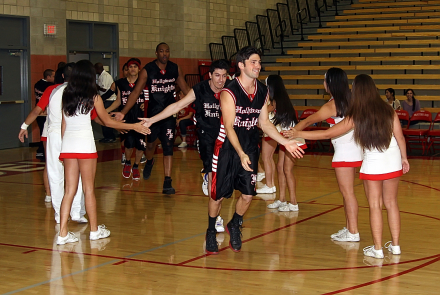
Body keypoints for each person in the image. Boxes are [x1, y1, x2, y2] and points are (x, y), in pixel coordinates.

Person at [291, 74, 409, 259]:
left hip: (373, 162)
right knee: (392, 204)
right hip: (393, 157)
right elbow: (400, 137)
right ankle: (395, 246)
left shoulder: (357, 114)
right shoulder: (388, 109)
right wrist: (404, 158)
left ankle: (377, 249)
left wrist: (298, 133)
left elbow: (327, 134)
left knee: (375, 205)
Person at [207, 46, 304, 254]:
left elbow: (265, 123)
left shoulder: (263, 91)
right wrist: (240, 153)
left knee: (248, 195)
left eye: (259, 62)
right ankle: (210, 230)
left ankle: (235, 223)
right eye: (253, 62)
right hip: (227, 148)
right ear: (241, 65)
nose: (258, 66)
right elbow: (229, 126)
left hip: (250, 147)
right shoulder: (229, 91)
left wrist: (285, 142)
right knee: (218, 196)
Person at [57, 60, 150, 245]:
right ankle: (94, 231)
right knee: (89, 189)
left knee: (69, 190)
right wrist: (133, 126)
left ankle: (62, 234)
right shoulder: (93, 97)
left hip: (68, 146)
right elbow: (107, 122)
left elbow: (64, 124)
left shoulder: (66, 95)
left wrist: (63, 147)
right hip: (85, 146)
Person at [140, 59, 231, 233]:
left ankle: (207, 177)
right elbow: (177, 106)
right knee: (215, 182)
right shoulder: (200, 89)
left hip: (227, 139)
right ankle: (216, 218)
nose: (221, 80)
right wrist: (151, 120)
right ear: (210, 75)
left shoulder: (231, 89)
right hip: (206, 140)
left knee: (224, 182)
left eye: (224, 76)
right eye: (217, 76)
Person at [284, 67, 363, 242]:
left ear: (330, 83)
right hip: (354, 149)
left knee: (348, 193)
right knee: (346, 192)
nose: (323, 83)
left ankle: (353, 232)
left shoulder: (332, 105)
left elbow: (309, 121)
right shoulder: (350, 100)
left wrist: (294, 133)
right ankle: (350, 227)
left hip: (344, 152)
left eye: (324, 80)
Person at [114, 42, 191, 194]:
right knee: (150, 146)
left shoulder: (175, 68)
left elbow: (186, 89)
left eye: (167, 51)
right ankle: (149, 161)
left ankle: (167, 181)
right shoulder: (148, 70)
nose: (164, 54)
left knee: (168, 146)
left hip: (169, 114)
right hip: (152, 116)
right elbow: (135, 92)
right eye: (161, 51)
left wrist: (198, 104)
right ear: (156, 53)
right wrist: (123, 112)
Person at [19, 63, 88, 223]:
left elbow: (37, 110)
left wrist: (24, 126)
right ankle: (76, 212)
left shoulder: (52, 90)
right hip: (73, 135)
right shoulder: (81, 90)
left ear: (62, 76)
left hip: (55, 135)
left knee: (55, 174)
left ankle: (59, 213)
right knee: (75, 174)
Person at [264, 75, 306, 212]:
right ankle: (282, 199)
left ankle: (293, 202)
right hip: (285, 138)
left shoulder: (276, 101)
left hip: (292, 139)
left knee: (287, 170)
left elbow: (262, 113)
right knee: (280, 167)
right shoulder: (280, 99)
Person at [106, 58, 146, 180]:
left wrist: (147, 104)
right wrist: (105, 111)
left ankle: (136, 165)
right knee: (128, 143)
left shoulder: (144, 82)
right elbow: (118, 101)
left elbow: (151, 98)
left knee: (140, 145)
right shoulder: (121, 83)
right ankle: (128, 162)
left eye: (135, 66)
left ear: (139, 69)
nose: (133, 68)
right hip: (126, 118)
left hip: (141, 117)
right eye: (130, 66)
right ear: (127, 69)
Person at [256, 88, 279, 194]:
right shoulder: (274, 98)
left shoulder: (272, 100)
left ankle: (269, 185)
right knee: (269, 158)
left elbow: (271, 107)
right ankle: (271, 184)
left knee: (266, 158)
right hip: (273, 128)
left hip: (271, 129)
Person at [34, 69, 55, 159]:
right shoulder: (49, 86)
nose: (55, 78)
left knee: (43, 132)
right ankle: (42, 151)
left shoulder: (37, 84)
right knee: (45, 133)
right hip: (43, 112)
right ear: (48, 77)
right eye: (53, 76)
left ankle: (41, 150)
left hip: (40, 113)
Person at [95, 62, 117, 143]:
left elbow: (104, 89)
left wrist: (96, 86)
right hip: (104, 100)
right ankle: (107, 136)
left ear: (98, 69)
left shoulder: (105, 76)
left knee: (106, 118)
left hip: (109, 100)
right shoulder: (101, 76)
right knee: (103, 118)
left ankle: (110, 136)